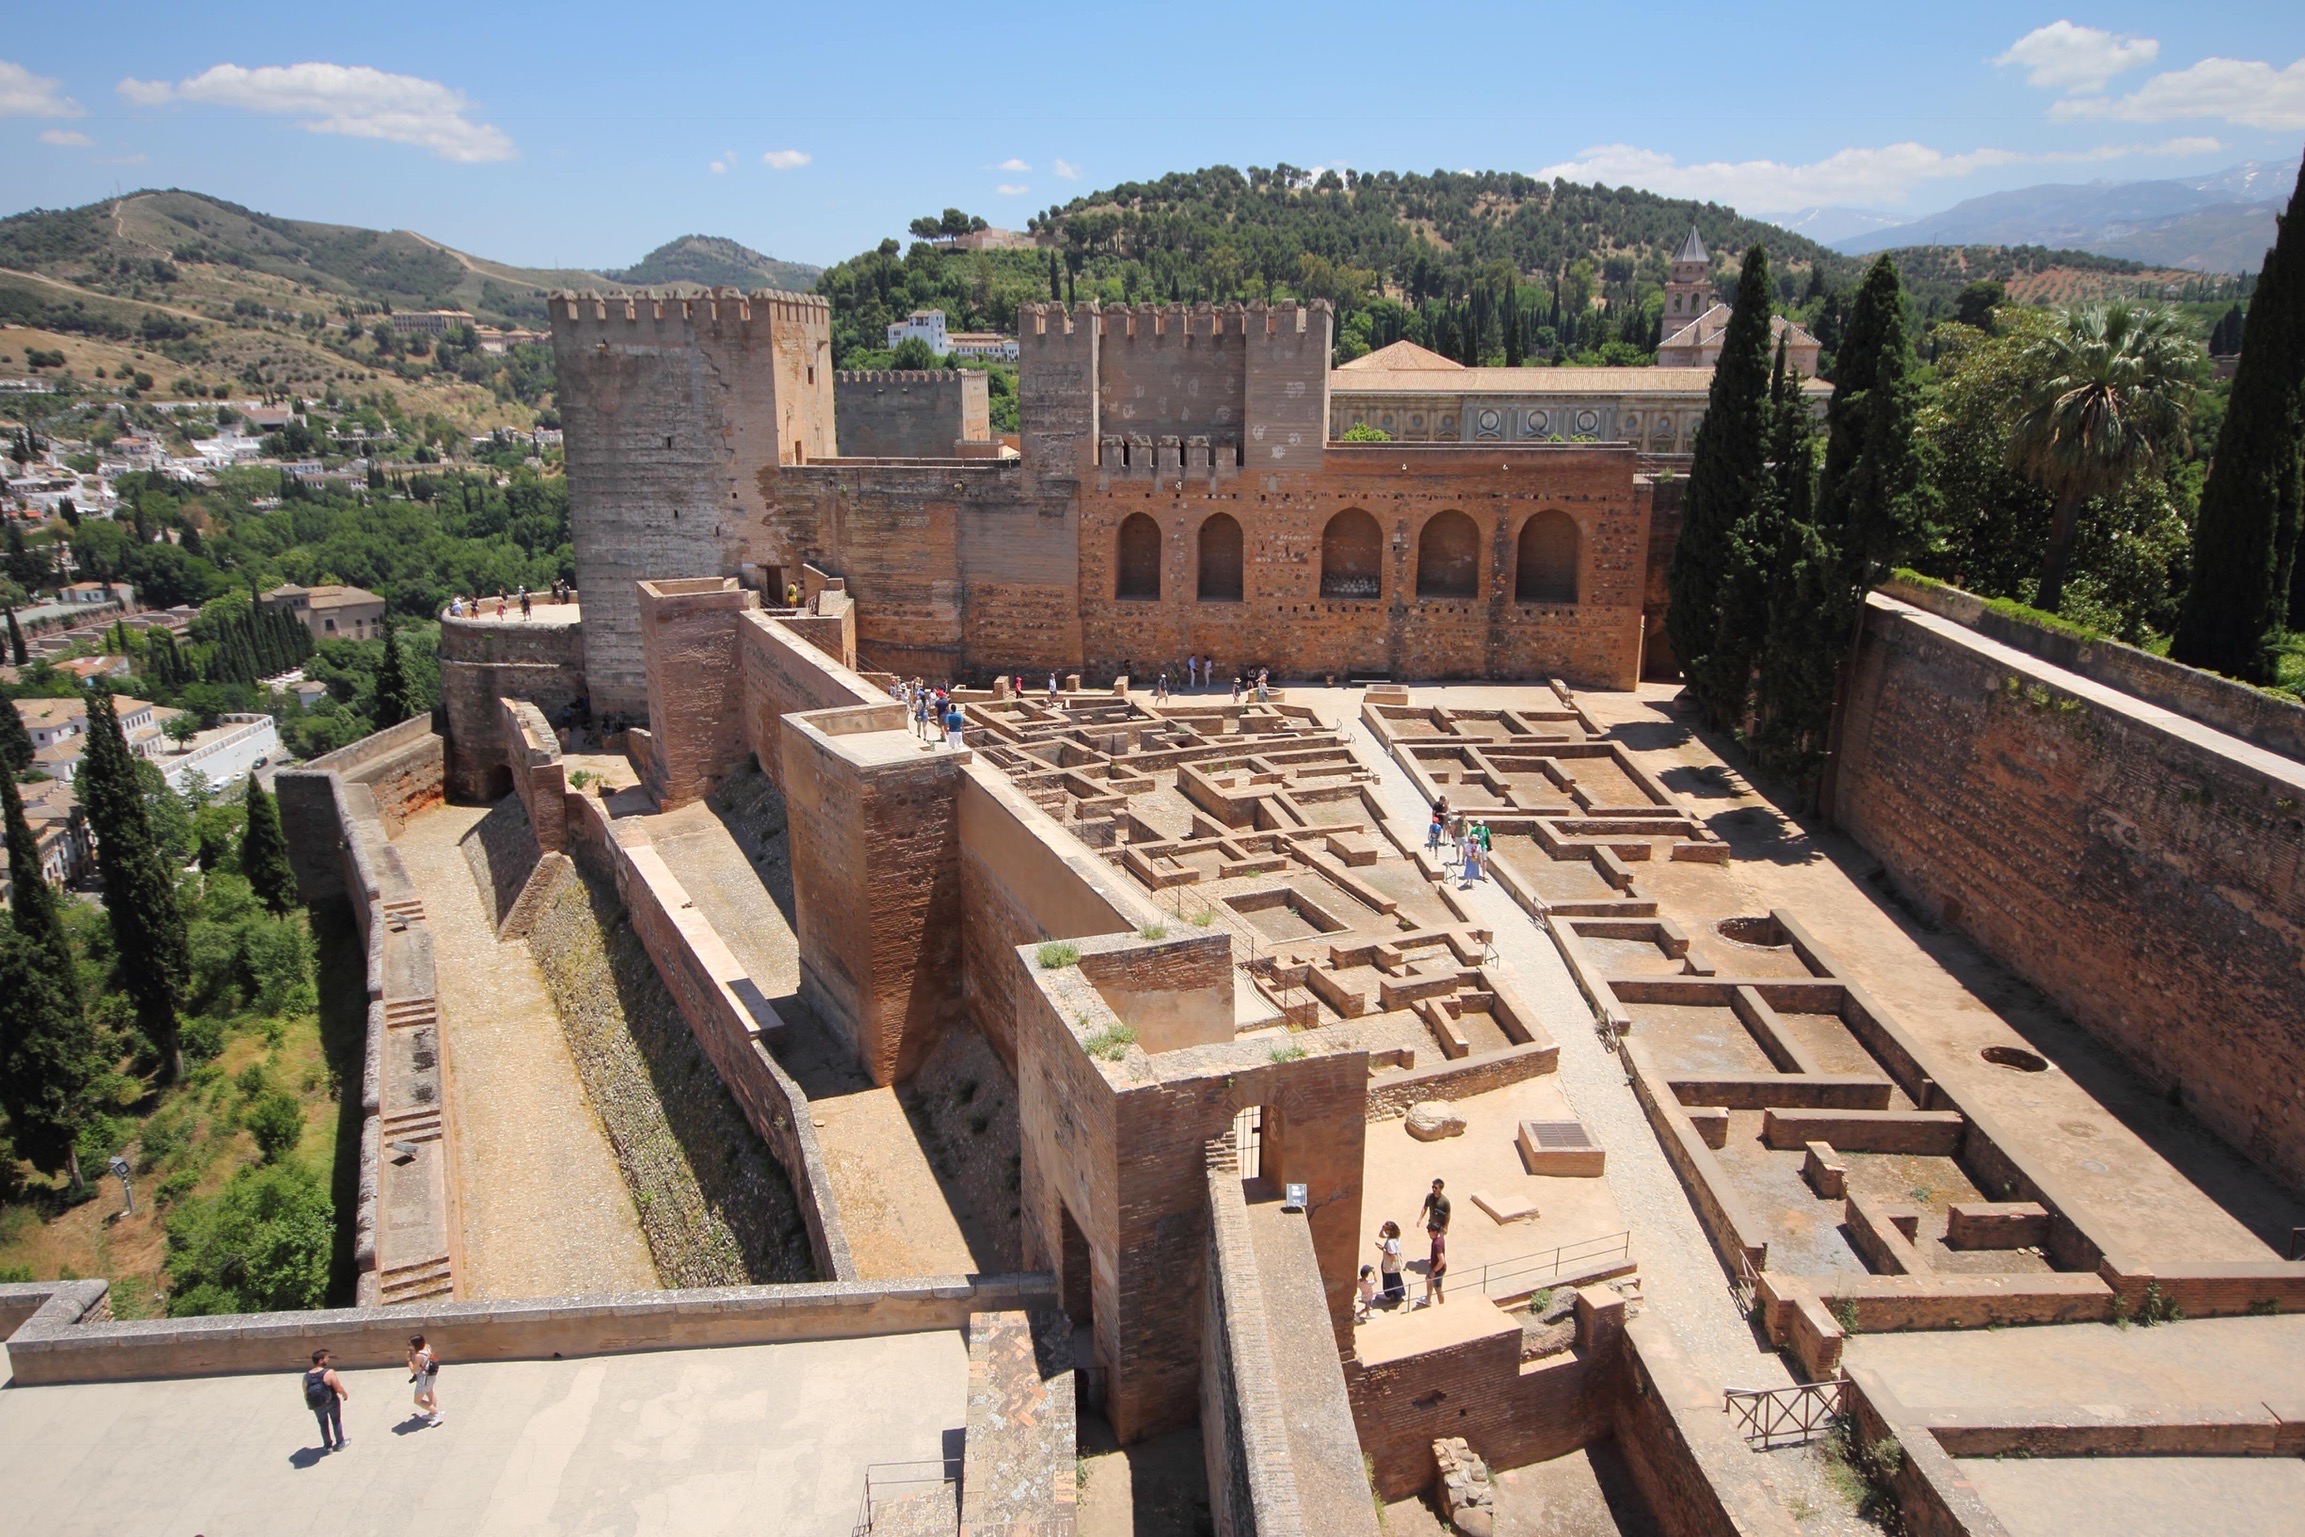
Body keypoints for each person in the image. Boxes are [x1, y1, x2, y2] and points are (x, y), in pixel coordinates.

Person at [303, 1348, 348, 1451]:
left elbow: (305, 1391)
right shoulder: (329, 1373)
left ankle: (328, 1446)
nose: (327, 1359)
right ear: (320, 1361)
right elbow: (337, 1388)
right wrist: (344, 1394)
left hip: (317, 1404)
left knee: (323, 1424)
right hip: (331, 1401)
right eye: (326, 1358)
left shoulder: (306, 1376)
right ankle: (340, 1443)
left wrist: (309, 1404)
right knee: (336, 1421)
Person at [408, 1334, 442, 1426]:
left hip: (423, 1379)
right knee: (430, 1393)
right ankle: (432, 1413)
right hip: (431, 1375)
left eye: (410, 1345)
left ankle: (436, 1413)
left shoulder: (419, 1355)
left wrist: (409, 1361)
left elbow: (413, 1370)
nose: (409, 1346)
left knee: (417, 1400)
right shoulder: (428, 1347)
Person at [1375, 1221, 1405, 1307]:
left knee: (1389, 1280)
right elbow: (1381, 1235)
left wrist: (1383, 1249)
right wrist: (1382, 1229)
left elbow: (1392, 1255)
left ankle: (1388, 1295)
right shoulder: (1396, 1237)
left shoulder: (1390, 1242)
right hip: (1394, 1265)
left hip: (1389, 1264)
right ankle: (1397, 1296)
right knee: (1396, 1280)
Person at [1422, 1229, 1449, 1308]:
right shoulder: (1440, 1238)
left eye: (1429, 1231)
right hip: (1434, 1266)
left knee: (1438, 1288)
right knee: (1428, 1279)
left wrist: (1434, 1271)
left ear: (1434, 1232)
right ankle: (1427, 1299)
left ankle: (1442, 1306)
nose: (1428, 1233)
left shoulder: (1436, 1244)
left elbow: (1441, 1261)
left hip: (1437, 1269)